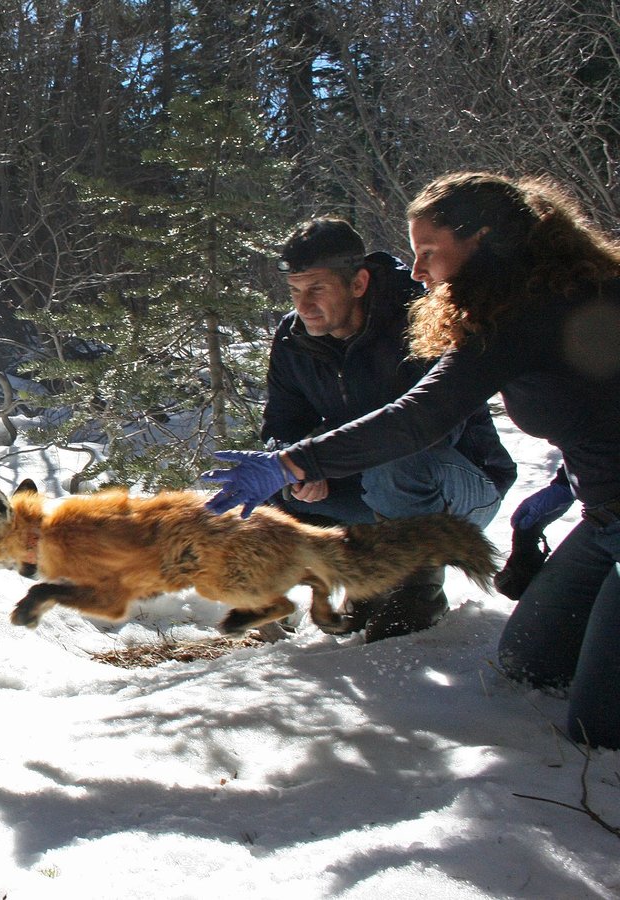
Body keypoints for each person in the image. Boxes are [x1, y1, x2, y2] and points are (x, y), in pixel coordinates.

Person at [201, 172, 620, 749]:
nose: (419, 270)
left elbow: (421, 418)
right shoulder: (516, 304)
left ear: (485, 241)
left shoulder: (532, 311)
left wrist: (299, 464)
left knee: (597, 732)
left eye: (429, 252)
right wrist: (568, 491)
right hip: (603, 521)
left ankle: (409, 598)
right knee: (529, 664)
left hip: (469, 486)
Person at [261, 218, 516, 641]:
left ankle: (417, 591)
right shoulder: (293, 340)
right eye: (295, 291)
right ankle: (359, 583)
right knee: (266, 480)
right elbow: (282, 426)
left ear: (358, 283)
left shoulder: (420, 320)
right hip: (368, 489)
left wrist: (323, 461)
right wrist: (298, 466)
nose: (303, 306)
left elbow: (430, 429)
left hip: (457, 488)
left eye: (317, 289)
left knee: (399, 463)